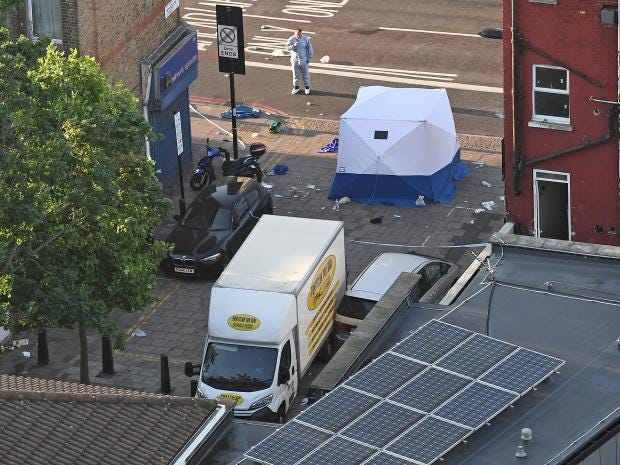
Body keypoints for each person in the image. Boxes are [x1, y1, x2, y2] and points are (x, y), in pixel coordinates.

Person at [286, 28, 313, 95]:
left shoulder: (305, 39)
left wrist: (309, 58)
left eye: (300, 35)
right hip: (295, 60)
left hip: (303, 59)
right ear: (295, 33)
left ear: (301, 33)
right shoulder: (291, 39)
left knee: (305, 74)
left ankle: (307, 88)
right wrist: (293, 46)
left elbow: (310, 48)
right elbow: (287, 47)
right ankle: (296, 87)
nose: (298, 36)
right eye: (297, 35)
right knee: (295, 74)